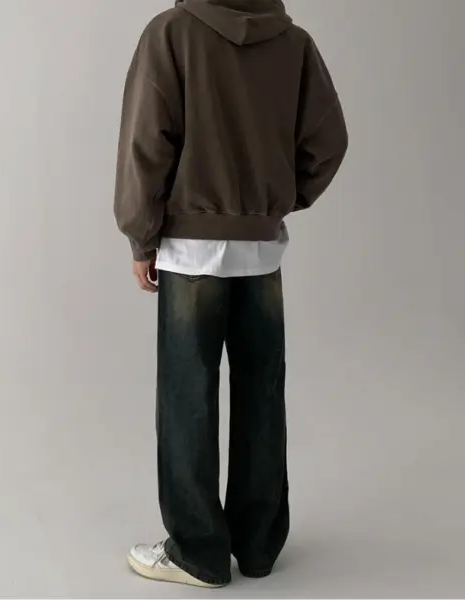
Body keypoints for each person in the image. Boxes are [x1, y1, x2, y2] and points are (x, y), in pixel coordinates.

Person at [114, 0, 348, 589]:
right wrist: (274, 201)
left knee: (188, 395)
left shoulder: (171, 33)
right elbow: (329, 141)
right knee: (261, 393)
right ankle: (259, 543)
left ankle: (197, 552)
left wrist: (141, 235)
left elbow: (147, 141)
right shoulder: (292, 42)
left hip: (190, 249)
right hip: (260, 248)